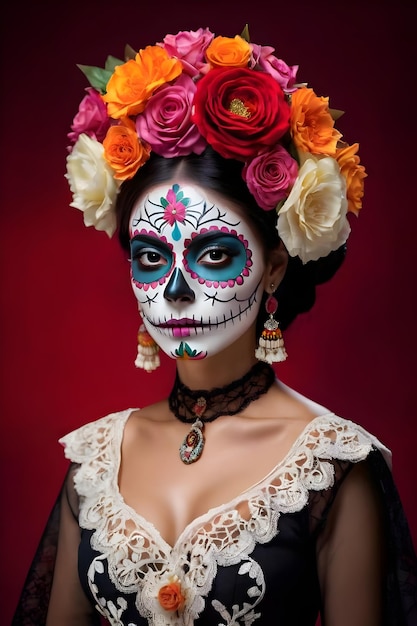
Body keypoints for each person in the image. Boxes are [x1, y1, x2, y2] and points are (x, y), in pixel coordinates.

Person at [12, 26, 417, 626]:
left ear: (275, 265)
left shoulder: (332, 466)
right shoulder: (95, 459)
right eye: (151, 258)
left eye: (213, 254)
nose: (175, 291)